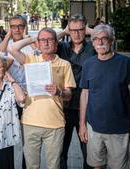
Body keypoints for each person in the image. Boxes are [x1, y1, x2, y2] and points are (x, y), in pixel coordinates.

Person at [8, 27, 76, 169]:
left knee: (54, 165)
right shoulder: (30, 60)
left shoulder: (65, 64)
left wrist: (59, 92)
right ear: (38, 44)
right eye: (42, 40)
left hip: (55, 124)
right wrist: (33, 39)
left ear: (56, 44)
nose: (46, 43)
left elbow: (69, 95)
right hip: (30, 122)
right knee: (32, 166)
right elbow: (12, 48)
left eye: (50, 40)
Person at [79, 24, 130, 169]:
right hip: (94, 128)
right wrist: (82, 124)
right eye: (95, 39)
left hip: (120, 128)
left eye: (104, 38)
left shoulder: (125, 63)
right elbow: (85, 94)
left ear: (112, 40)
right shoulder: (88, 64)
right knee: (97, 166)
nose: (100, 43)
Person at [0, 14, 38, 169]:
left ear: (25, 26)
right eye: (13, 26)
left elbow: (39, 59)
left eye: (20, 26)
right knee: (7, 137)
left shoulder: (31, 43)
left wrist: (28, 38)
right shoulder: (5, 45)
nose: (17, 29)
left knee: (29, 140)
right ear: (9, 28)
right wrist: (7, 37)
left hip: (29, 97)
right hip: (9, 97)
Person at [56, 14, 95, 169]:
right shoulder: (62, 47)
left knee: (88, 150)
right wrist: (64, 31)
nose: (77, 34)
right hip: (64, 106)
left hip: (85, 106)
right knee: (61, 151)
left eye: (80, 30)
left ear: (85, 29)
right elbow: (46, 40)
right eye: (73, 30)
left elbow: (107, 35)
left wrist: (89, 30)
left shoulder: (93, 47)